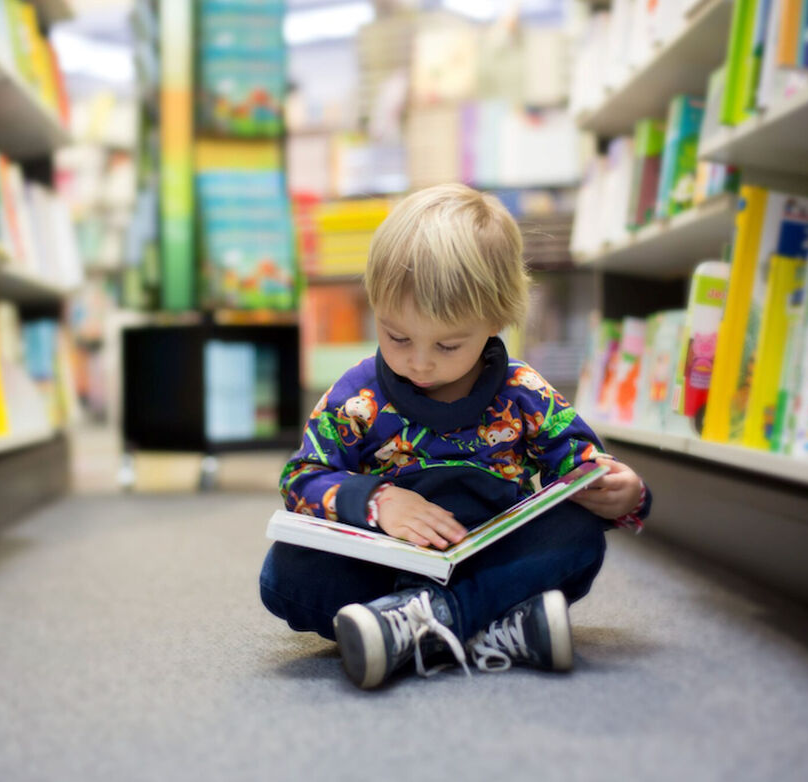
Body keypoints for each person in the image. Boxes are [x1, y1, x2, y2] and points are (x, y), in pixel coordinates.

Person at [259, 183, 651, 689]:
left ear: (496, 320)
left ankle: (413, 626)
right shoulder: (356, 394)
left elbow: (580, 473)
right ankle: (490, 627)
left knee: (575, 536)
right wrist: (377, 501)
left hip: (490, 561)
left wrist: (622, 493)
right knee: (284, 573)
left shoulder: (523, 391)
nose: (419, 361)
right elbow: (300, 479)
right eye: (397, 336)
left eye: (447, 344)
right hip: (384, 563)